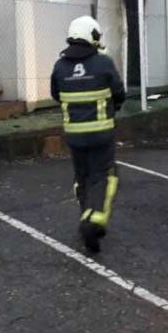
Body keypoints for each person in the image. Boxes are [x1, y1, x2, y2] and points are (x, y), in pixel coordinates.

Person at [50, 15, 126, 253]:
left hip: (74, 136)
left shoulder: (60, 66)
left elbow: (55, 95)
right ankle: (94, 220)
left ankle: (86, 213)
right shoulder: (103, 63)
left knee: (82, 177)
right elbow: (119, 92)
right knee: (103, 176)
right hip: (102, 135)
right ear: (91, 36)